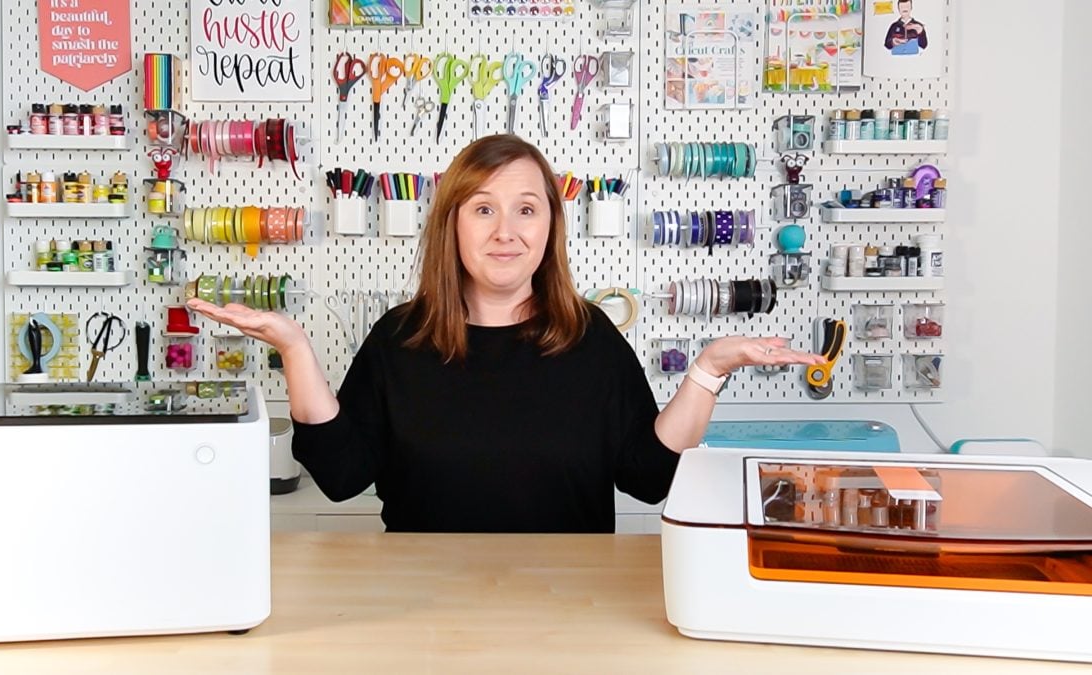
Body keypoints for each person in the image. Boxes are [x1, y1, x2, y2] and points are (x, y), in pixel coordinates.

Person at [188, 135, 823, 534]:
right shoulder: (398, 339)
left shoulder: (590, 338)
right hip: (425, 609)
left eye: (526, 209)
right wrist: (296, 349)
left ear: (549, 227)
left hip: (566, 604)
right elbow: (342, 476)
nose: (506, 232)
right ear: (452, 224)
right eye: (483, 209)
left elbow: (649, 478)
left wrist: (708, 369)